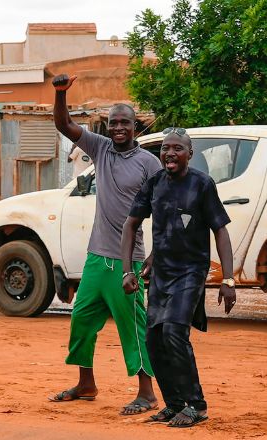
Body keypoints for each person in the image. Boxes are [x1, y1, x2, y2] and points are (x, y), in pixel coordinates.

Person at [48, 74, 162, 416]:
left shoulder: (149, 164)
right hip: (97, 258)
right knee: (81, 320)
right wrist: (60, 93)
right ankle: (86, 384)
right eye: (113, 123)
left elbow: (166, 213)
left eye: (124, 123)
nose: (117, 128)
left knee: (132, 326)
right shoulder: (101, 148)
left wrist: (154, 257)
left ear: (135, 126)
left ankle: (147, 393)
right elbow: (63, 123)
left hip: (127, 260)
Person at [121, 128, 235, 428]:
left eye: (177, 148)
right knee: (154, 339)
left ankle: (196, 405)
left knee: (173, 332)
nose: (170, 153)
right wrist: (127, 271)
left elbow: (220, 231)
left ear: (189, 153)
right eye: (165, 148)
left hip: (191, 271)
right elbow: (131, 224)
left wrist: (229, 278)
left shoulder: (202, 184)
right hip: (161, 273)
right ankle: (173, 404)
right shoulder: (155, 183)